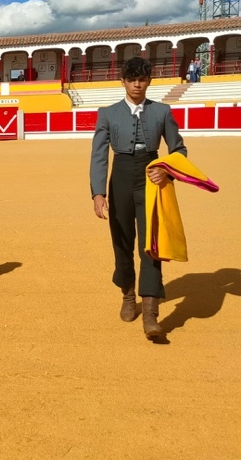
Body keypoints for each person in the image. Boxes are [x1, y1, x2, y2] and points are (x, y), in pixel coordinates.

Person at [90, 57, 187, 340]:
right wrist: (98, 192)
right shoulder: (107, 113)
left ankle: (150, 313)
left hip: (151, 179)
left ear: (149, 82)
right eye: (131, 79)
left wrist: (167, 173)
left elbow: (179, 150)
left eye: (142, 79)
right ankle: (128, 294)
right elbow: (98, 155)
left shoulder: (162, 111)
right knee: (121, 242)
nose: (136, 84)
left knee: (151, 244)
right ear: (122, 81)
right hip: (120, 178)